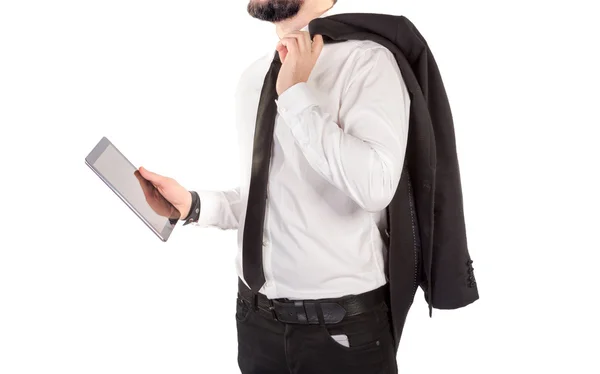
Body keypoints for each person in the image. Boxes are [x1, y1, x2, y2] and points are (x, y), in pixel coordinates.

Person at [139, 0, 410, 372]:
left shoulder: (366, 62)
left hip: (341, 333)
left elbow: (376, 185)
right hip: (256, 322)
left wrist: (296, 95)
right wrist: (192, 205)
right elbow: (267, 197)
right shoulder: (254, 77)